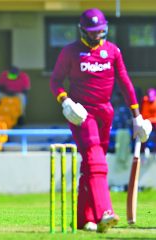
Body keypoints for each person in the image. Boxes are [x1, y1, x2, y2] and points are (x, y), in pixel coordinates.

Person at [50, 8, 152, 233]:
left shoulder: (112, 51)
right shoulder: (70, 52)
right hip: (81, 113)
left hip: (106, 112)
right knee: (96, 161)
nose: (96, 35)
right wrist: (65, 101)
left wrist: (137, 116)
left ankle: (84, 219)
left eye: (100, 31)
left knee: (91, 166)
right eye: (92, 31)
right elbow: (55, 80)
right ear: (82, 31)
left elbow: (125, 82)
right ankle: (105, 212)